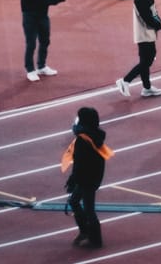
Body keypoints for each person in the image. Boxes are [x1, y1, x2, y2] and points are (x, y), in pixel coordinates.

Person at [61, 106, 112, 249]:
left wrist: (73, 180)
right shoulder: (94, 135)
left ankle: (95, 239)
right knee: (74, 201)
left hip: (87, 179)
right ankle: (85, 231)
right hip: (91, 176)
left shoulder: (83, 140)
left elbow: (80, 163)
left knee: (89, 209)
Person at [118, 0, 161, 98]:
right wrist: (159, 26)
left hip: (148, 32)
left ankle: (146, 88)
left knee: (146, 60)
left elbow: (153, 12)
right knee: (147, 60)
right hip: (144, 33)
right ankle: (125, 81)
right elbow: (147, 17)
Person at [20, 0, 64, 82]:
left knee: (45, 40)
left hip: (43, 14)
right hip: (30, 15)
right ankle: (30, 69)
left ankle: (41, 66)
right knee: (31, 43)